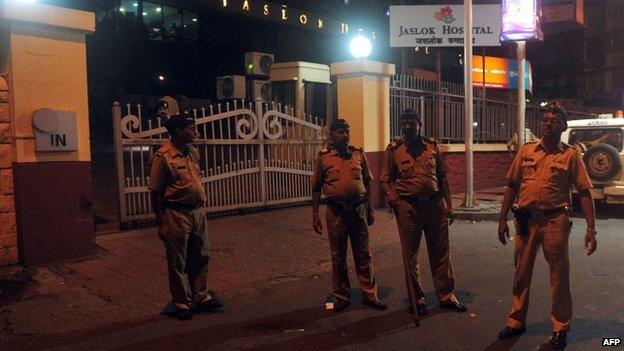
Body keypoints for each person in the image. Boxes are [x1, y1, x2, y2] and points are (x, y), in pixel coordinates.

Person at [497, 104, 597, 349]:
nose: (548, 124)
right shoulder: (526, 151)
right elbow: (512, 186)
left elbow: (584, 192)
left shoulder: (571, 155)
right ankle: (516, 321)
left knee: (559, 277)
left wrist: (591, 229)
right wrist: (501, 219)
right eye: (546, 120)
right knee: (521, 274)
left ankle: (560, 327)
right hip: (525, 221)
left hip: (555, 221)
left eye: (554, 121)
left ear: (563, 127)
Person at [380, 109, 467, 320]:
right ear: (401, 126)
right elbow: (384, 179)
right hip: (408, 208)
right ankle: (417, 299)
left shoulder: (432, 147)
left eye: (412, 122)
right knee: (410, 256)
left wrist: (449, 204)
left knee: (441, 253)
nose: (408, 126)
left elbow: (442, 177)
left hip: (435, 206)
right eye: (404, 122)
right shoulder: (393, 150)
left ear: (420, 125)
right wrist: (391, 195)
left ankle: (447, 295)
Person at [149, 115, 223, 320]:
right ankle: (181, 302)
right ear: (179, 131)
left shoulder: (191, 152)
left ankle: (201, 296)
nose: (196, 132)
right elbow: (155, 192)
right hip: (176, 213)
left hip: (197, 211)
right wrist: (161, 223)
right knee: (177, 260)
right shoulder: (163, 157)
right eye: (192, 129)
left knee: (201, 254)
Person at [311, 119, 387, 312]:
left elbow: (367, 184)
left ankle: (370, 293)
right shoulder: (324, 158)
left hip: (358, 210)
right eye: (340, 132)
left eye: (347, 131)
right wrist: (315, 215)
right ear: (332, 135)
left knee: (363, 253)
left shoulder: (358, 154)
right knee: (338, 256)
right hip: (335, 212)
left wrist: (370, 209)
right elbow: (316, 188)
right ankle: (342, 296)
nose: (345, 135)